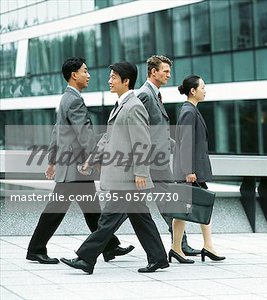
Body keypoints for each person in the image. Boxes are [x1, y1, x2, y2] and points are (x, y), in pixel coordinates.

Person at [61, 62, 168, 274]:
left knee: (107, 220)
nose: (109, 81)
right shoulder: (121, 105)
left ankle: (85, 258)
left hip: (127, 176)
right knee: (141, 219)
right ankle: (158, 258)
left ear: (126, 81)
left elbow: (142, 143)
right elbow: (107, 140)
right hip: (123, 176)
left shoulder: (134, 106)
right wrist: (91, 161)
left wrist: (140, 173)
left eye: (113, 77)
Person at [26, 57, 133, 265]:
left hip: (72, 168)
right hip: (75, 169)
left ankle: (109, 246)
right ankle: (36, 249)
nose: (89, 75)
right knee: (55, 211)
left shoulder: (66, 98)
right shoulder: (74, 100)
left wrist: (52, 160)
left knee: (92, 211)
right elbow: (84, 134)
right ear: (74, 75)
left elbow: (58, 132)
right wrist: (95, 159)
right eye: (85, 71)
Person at [135, 55, 200, 256]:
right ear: (153, 72)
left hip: (157, 160)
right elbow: (139, 130)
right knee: (167, 201)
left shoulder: (155, 94)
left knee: (164, 202)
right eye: (165, 71)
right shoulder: (145, 95)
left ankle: (179, 245)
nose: (169, 75)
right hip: (153, 162)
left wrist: (175, 146)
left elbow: (157, 131)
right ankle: (180, 245)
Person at [170, 75, 225, 264]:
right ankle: (187, 247)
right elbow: (185, 143)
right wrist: (188, 170)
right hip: (191, 171)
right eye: (202, 86)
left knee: (186, 209)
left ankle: (181, 248)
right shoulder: (188, 111)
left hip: (192, 170)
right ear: (193, 91)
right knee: (192, 207)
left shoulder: (192, 110)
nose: (205, 89)